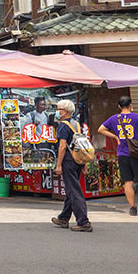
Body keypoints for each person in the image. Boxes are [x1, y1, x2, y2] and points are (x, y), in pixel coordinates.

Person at [97, 95, 138, 217]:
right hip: (137, 153)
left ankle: (132, 208)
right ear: (131, 105)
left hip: (122, 153)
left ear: (119, 106)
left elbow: (101, 129)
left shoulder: (114, 118)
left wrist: (115, 137)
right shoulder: (137, 117)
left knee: (128, 181)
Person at [49, 99, 92, 232]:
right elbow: (81, 144)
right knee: (70, 189)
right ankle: (64, 217)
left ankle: (83, 221)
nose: (57, 111)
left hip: (68, 159)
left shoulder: (63, 125)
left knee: (74, 190)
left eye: (59, 109)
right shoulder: (76, 124)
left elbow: (62, 147)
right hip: (77, 159)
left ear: (65, 111)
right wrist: (84, 163)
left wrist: (59, 164)